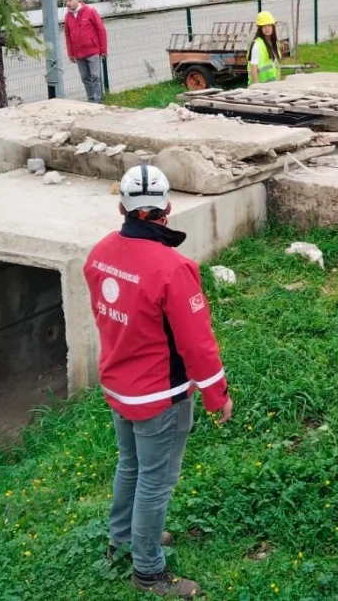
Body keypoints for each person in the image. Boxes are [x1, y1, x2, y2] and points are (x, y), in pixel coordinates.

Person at [85, 164, 232, 598]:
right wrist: (216, 395)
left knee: (130, 465)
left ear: (121, 207)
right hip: (160, 395)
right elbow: (197, 344)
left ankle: (124, 538)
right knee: (156, 480)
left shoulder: (99, 253)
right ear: (168, 209)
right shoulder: (173, 268)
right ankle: (148, 570)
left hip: (118, 383)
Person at [63, 0, 108, 103]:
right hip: (78, 54)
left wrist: (103, 50)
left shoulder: (90, 11)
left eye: (70, 0)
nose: (68, 3)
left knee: (96, 76)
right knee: (85, 77)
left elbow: (101, 30)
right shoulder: (68, 16)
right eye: (66, 1)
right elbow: (67, 34)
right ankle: (91, 100)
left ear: (77, 0)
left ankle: (98, 101)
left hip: (92, 50)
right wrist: (70, 53)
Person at [248, 11, 281, 85]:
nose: (267, 29)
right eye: (264, 26)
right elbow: (253, 68)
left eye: (269, 25)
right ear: (260, 28)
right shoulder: (257, 44)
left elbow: (277, 65)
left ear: (273, 27)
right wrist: (257, 87)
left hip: (273, 85)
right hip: (261, 88)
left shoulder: (275, 43)